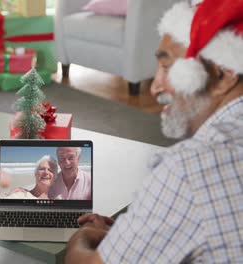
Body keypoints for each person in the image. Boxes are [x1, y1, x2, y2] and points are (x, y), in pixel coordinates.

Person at [65, 0, 243, 263]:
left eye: (168, 67)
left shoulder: (188, 170)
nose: (155, 88)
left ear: (223, 75)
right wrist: (133, 234)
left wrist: (79, 239)